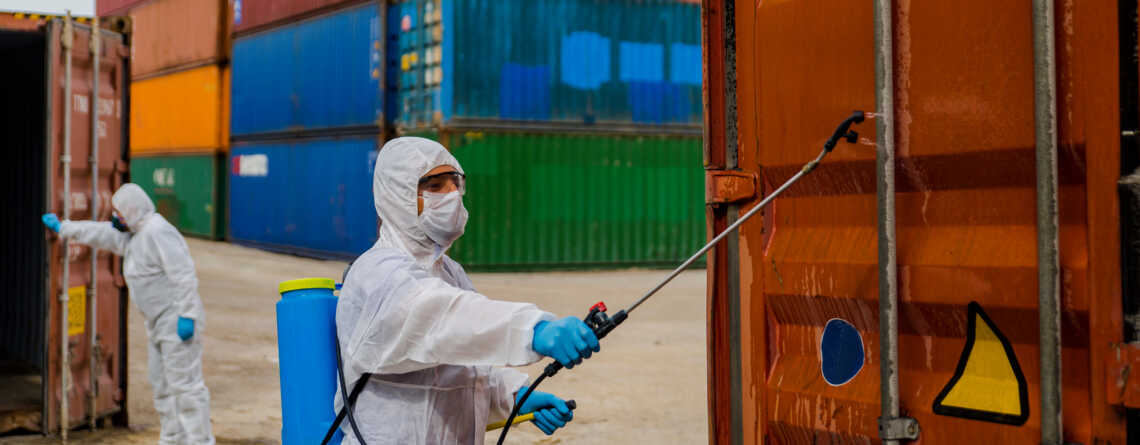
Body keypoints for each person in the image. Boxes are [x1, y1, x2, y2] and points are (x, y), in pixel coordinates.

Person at [336, 137, 600, 444]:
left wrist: (516, 397)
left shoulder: (450, 273)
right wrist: (533, 329)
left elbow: (464, 367)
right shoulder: (377, 272)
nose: (451, 195)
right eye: (435, 186)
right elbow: (441, 319)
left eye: (454, 183)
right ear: (399, 196)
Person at [42, 183, 215, 445]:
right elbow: (99, 233)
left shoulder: (157, 232)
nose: (115, 218)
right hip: (157, 323)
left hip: (175, 320)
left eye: (119, 213)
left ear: (133, 210)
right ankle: (173, 439)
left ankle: (200, 441)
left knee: (186, 387)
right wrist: (64, 227)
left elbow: (183, 273)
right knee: (162, 386)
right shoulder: (133, 234)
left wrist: (187, 314)